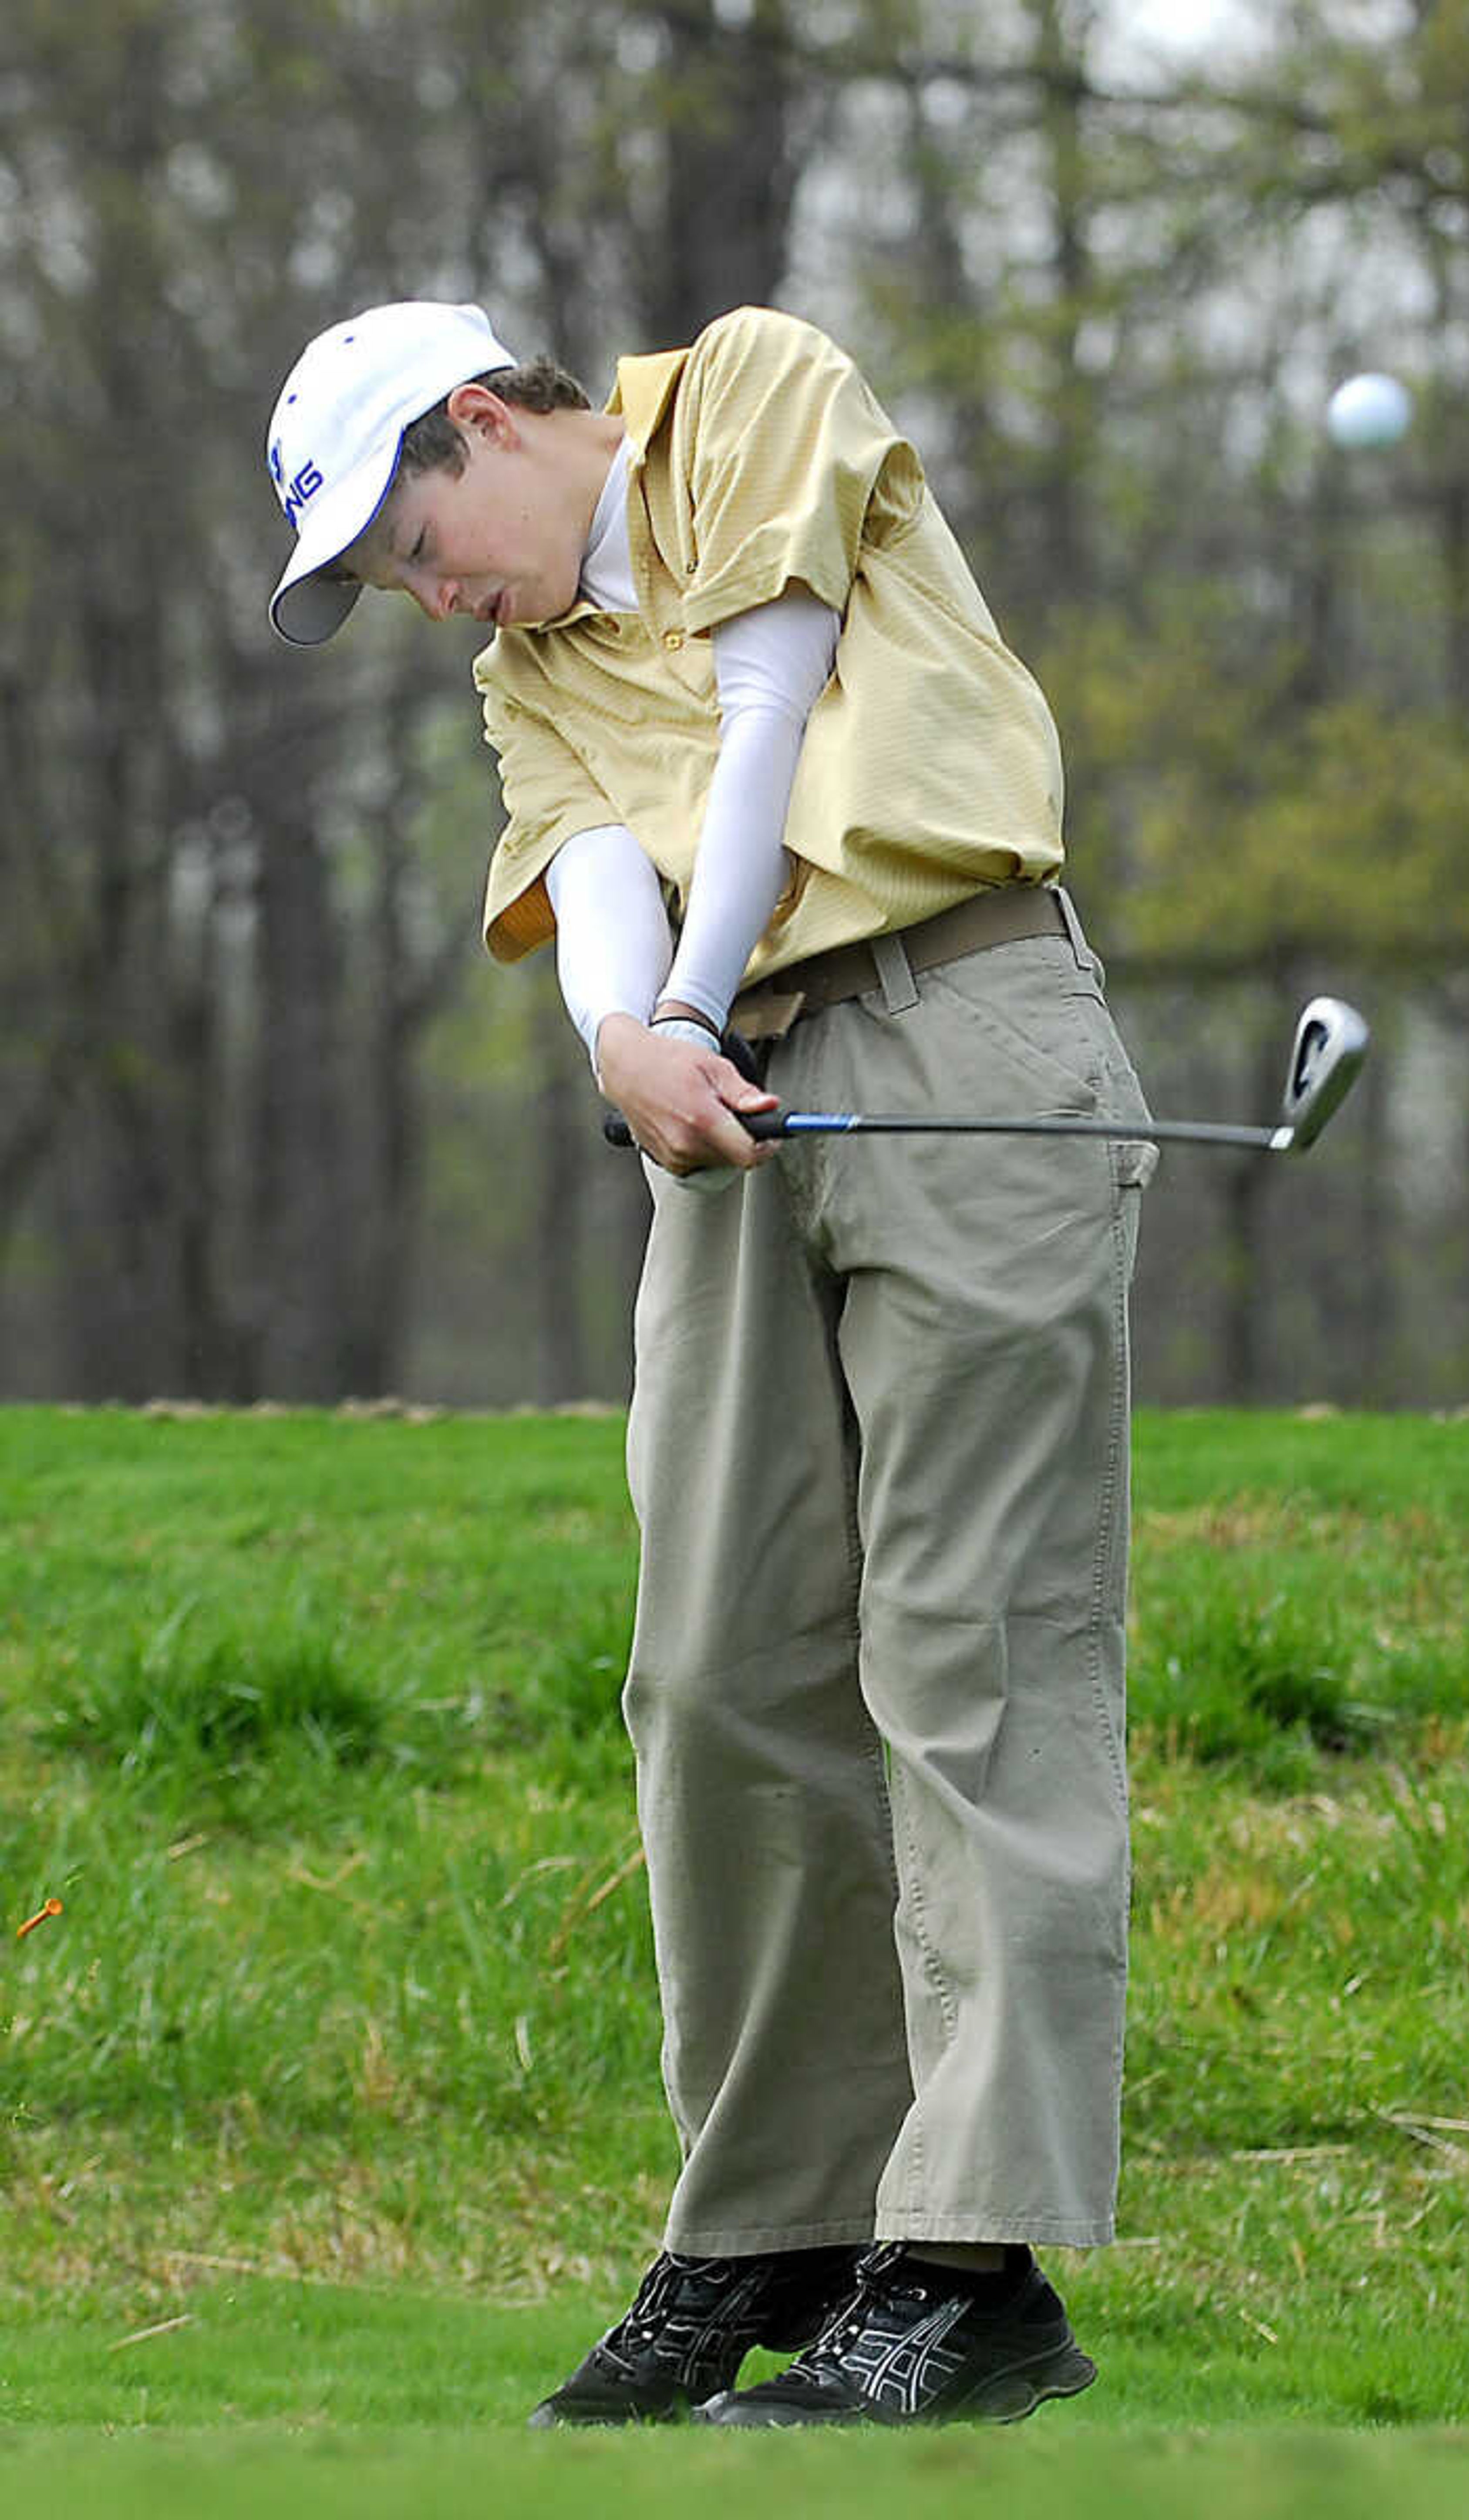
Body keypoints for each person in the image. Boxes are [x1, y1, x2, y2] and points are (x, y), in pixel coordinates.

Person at [265, 296, 1155, 2429]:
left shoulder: (746, 390)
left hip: (963, 1029)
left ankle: (966, 2263)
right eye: (394, 582)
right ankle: (776, 2218)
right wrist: (624, 1031)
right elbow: (588, 870)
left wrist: (672, 1006)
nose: (428, 596)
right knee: (718, 1662)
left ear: (484, 419)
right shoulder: (526, 669)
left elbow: (764, 712)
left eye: (413, 539)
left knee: (970, 1648)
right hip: (728, 1092)